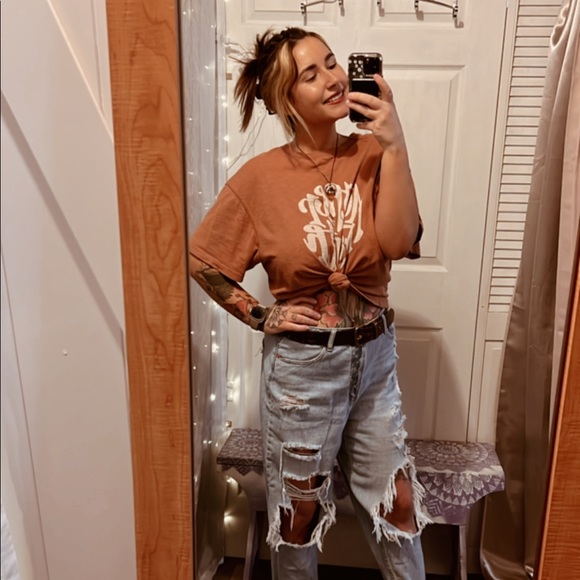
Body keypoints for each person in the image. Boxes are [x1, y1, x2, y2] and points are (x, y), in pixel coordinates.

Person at [189, 27, 429, 580]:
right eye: (310, 74)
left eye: (332, 62)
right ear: (285, 100)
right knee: (298, 517)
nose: (333, 79)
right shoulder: (259, 179)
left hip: (375, 362)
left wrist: (396, 144)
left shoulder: (374, 154)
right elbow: (205, 260)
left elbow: (398, 243)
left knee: (397, 504)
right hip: (302, 373)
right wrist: (261, 315)